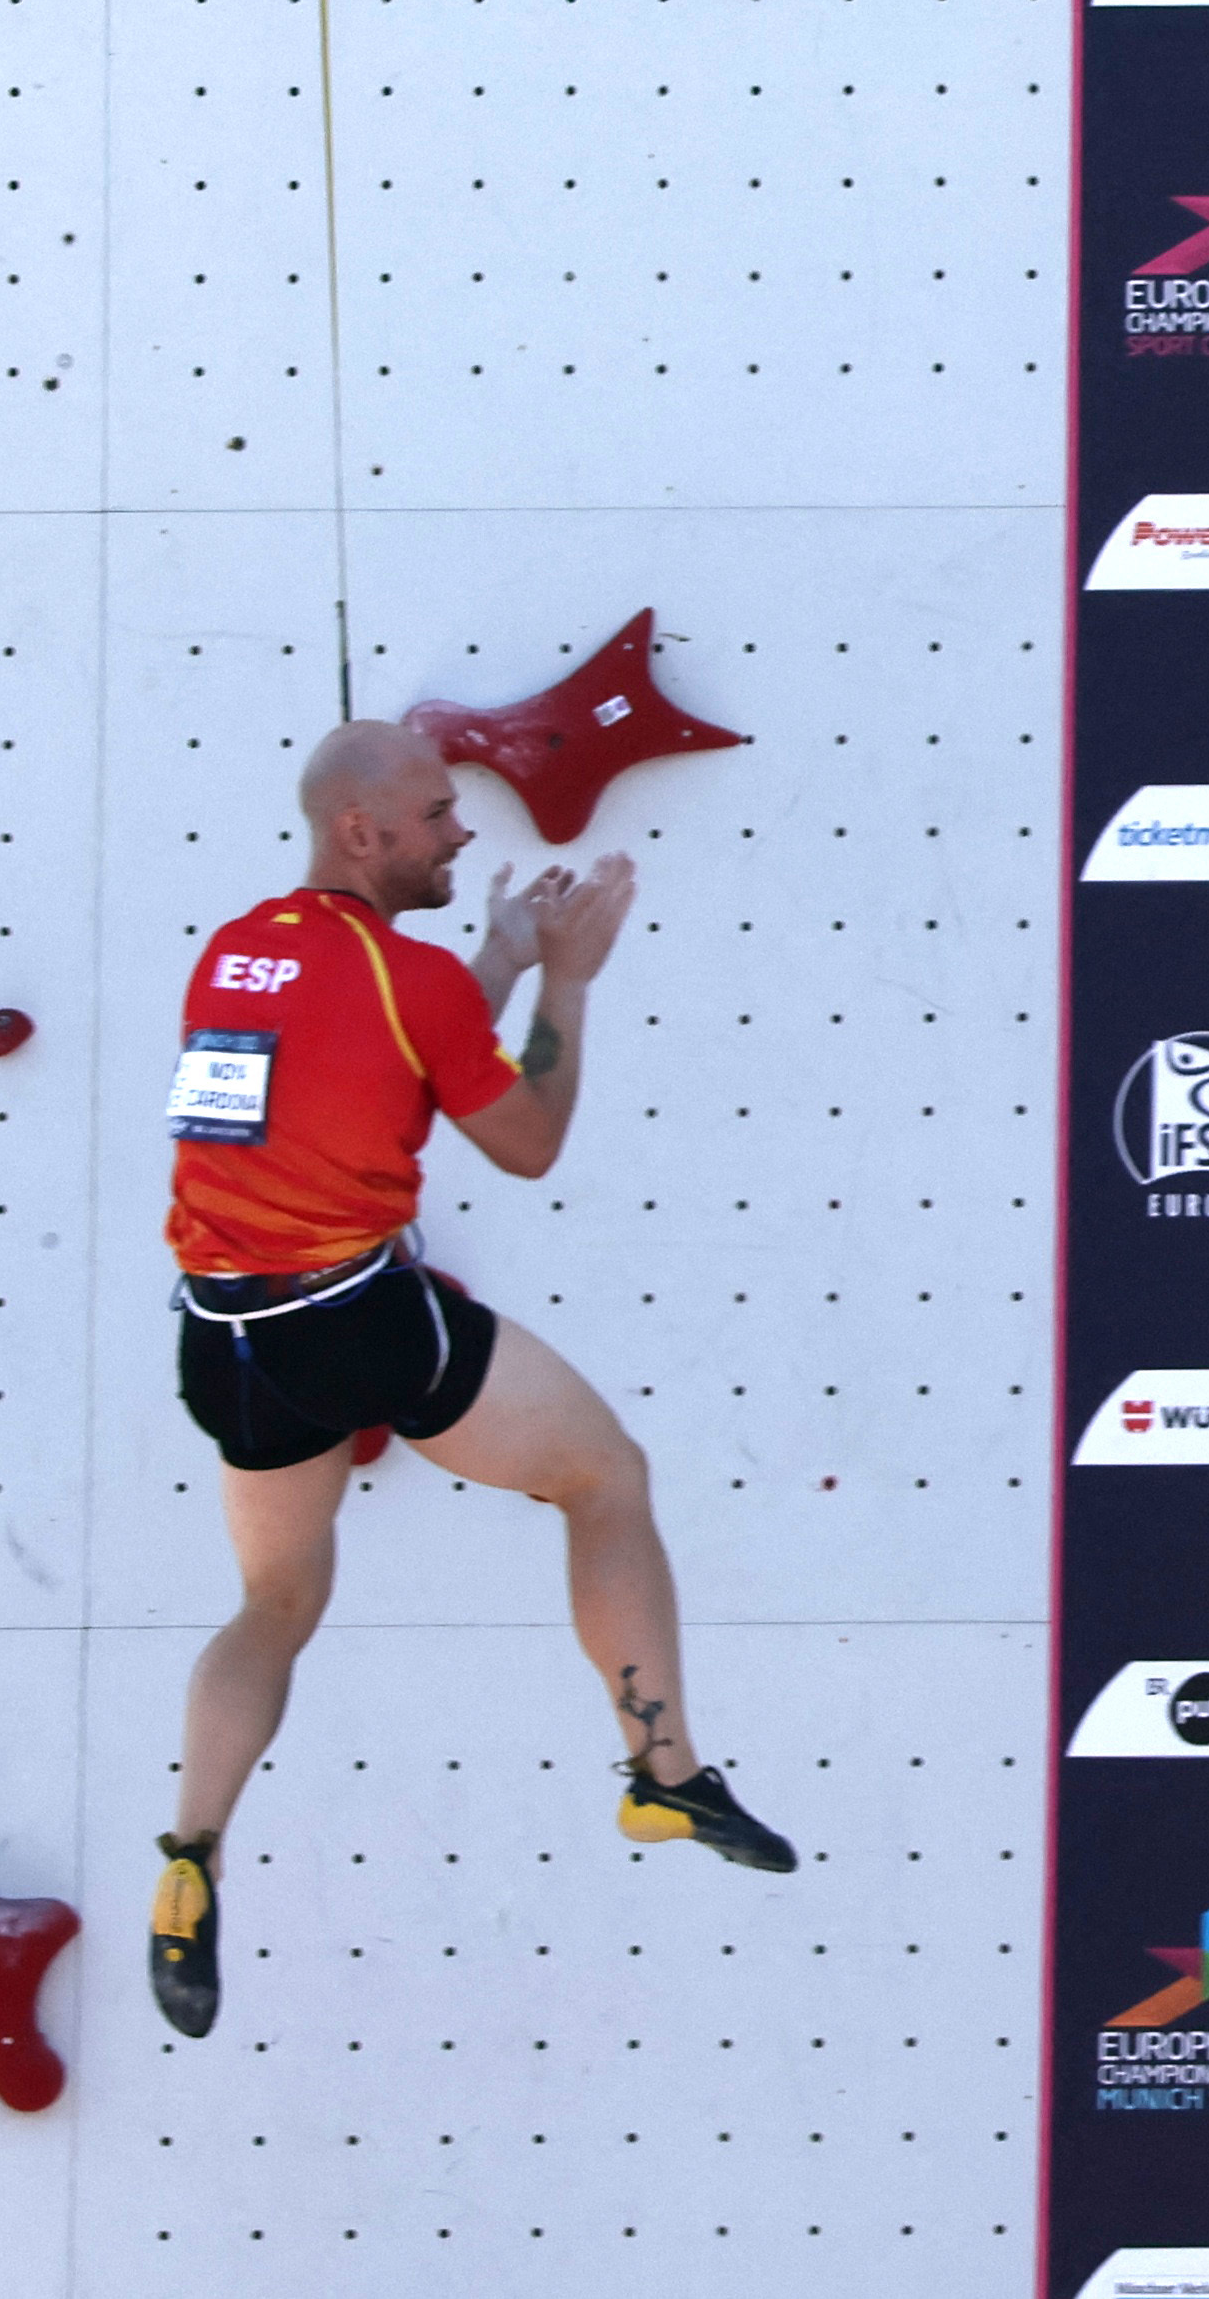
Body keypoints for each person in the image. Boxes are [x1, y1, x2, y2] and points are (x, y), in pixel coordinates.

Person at [141, 719, 790, 2040]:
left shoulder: (235, 950)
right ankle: (663, 1771)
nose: (461, 831)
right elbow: (528, 1143)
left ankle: (192, 1856)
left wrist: (490, 951)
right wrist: (564, 980)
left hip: (227, 1339)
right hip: (359, 1320)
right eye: (438, 814)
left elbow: (380, 1054)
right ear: (360, 829)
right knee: (604, 1476)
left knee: (273, 1598)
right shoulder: (411, 980)